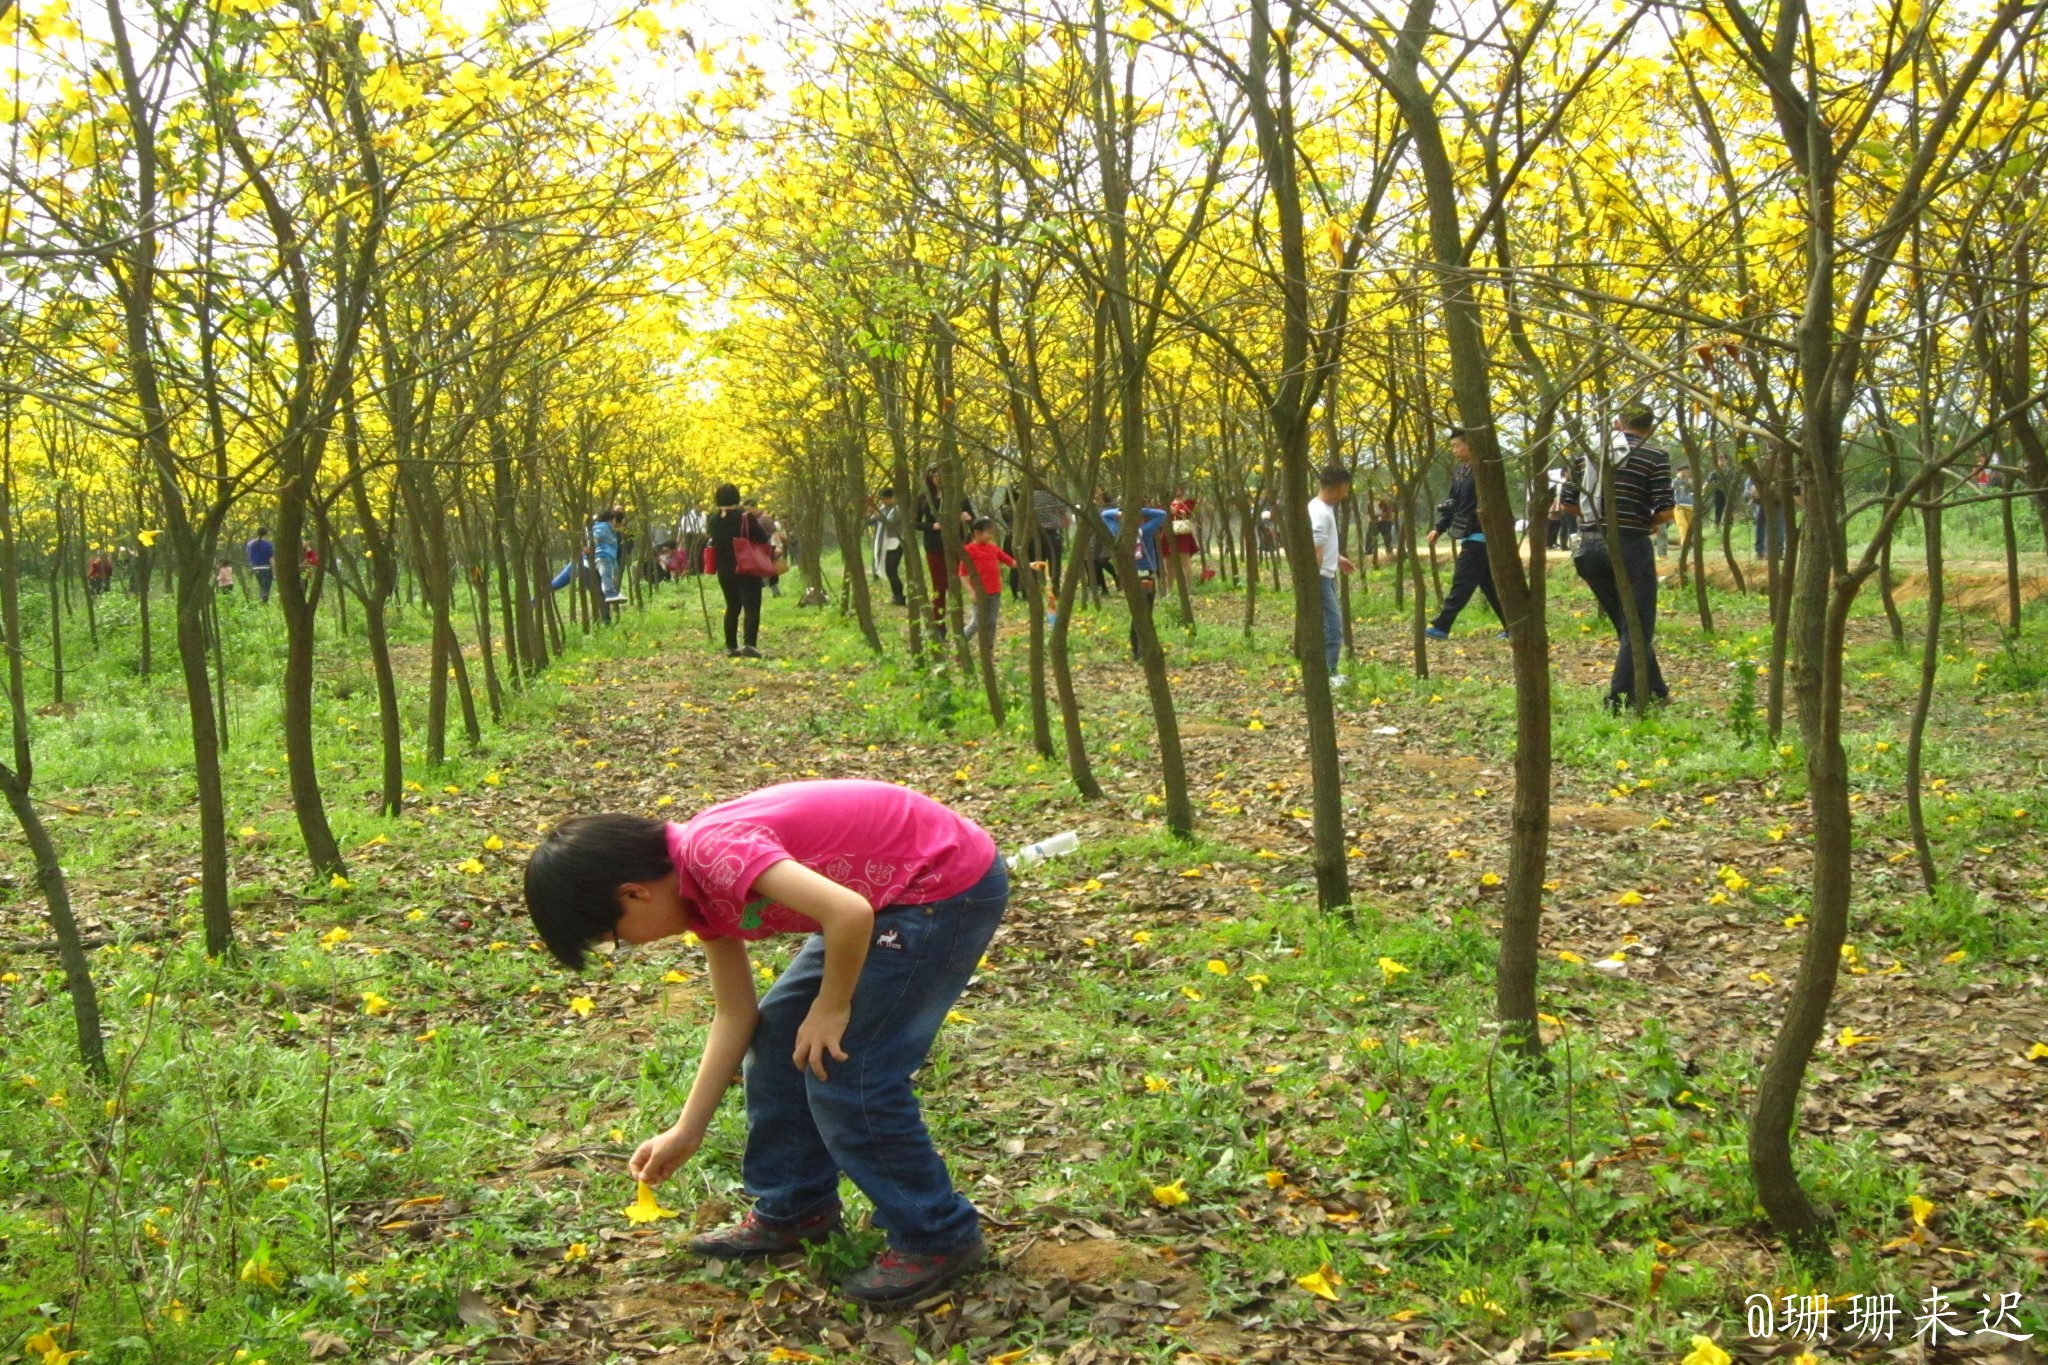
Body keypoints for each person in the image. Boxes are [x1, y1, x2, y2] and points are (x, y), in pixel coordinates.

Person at [522, 780, 1006, 1307]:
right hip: (877, 898)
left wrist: (831, 1006)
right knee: (778, 1041)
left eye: (613, 937)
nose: (627, 946)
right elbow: (737, 1015)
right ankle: (796, 1210)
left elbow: (848, 914)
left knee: (848, 1069)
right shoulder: (697, 897)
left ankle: (936, 1234)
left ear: (634, 893)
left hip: (937, 888)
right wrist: (688, 1129)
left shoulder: (714, 855)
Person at [1562, 404, 1675, 711]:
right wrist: (1646, 520)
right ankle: (1619, 700)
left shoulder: (1586, 454)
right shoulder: (1655, 456)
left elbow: (1567, 503)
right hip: (1628, 546)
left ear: (1617, 424)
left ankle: (1656, 689)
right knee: (1637, 626)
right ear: (1650, 428)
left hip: (1587, 547)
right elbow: (1665, 510)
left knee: (1627, 626)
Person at [1424, 430, 1506, 640]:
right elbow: (1453, 503)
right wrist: (1439, 527)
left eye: (1456, 445)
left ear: (1470, 445)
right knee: (1490, 585)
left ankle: (1442, 625)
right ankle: (1513, 624)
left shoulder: (1485, 469)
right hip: (1468, 534)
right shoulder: (1462, 472)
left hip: (1481, 536)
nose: (1454, 450)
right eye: (1451, 446)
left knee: (1462, 582)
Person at [1099, 499, 1168, 661]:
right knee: (1144, 611)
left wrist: (1123, 513)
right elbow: (1161, 514)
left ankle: (1138, 648)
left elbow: (1105, 515)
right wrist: (1139, 511)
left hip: (1133, 575)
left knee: (1139, 611)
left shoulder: (1118, 529)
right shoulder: (1145, 529)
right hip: (1141, 574)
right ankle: (1140, 649)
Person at [708, 484, 771, 658]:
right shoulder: (745, 517)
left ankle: (731, 647)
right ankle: (749, 645)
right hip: (746, 567)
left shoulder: (712, 519)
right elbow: (762, 537)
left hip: (724, 569)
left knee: (732, 606)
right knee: (751, 607)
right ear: (736, 497)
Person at [1308, 465, 1357, 685]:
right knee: (1333, 628)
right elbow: (1315, 549)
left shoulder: (1321, 508)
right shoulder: (1319, 511)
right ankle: (1329, 674)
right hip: (1319, 578)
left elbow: (1322, 546)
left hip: (1325, 574)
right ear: (1341, 487)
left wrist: (1337, 559)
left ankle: (1328, 672)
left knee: (1330, 626)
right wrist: (1312, 581)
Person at [915, 469, 973, 635]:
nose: (939, 478)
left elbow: (973, 520)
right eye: (935, 475)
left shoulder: (958, 495)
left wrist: (967, 517)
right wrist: (932, 526)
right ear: (930, 478)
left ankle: (958, 623)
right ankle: (939, 626)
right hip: (934, 546)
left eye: (942, 474)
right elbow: (915, 522)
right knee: (938, 586)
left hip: (956, 544)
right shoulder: (924, 497)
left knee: (955, 584)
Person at [874, 488, 905, 605]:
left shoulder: (898, 509)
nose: (883, 502)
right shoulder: (883, 508)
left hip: (895, 543)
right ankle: (896, 595)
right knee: (889, 571)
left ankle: (899, 596)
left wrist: (878, 514)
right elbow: (873, 520)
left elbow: (889, 523)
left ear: (892, 497)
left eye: (885, 499)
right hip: (885, 544)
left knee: (892, 571)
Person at [591, 509, 625, 606]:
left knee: (610, 574)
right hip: (603, 555)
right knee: (606, 575)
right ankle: (609, 593)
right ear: (611, 519)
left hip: (608, 556)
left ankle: (612, 592)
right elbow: (596, 535)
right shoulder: (603, 526)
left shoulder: (608, 528)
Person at [245, 526, 275, 604]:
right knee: (266, 587)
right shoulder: (268, 545)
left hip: (255, 568)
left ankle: (263, 602)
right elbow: (271, 559)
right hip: (266, 568)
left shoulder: (249, 544)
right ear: (266, 534)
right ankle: (263, 602)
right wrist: (274, 570)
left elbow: (249, 555)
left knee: (262, 585)